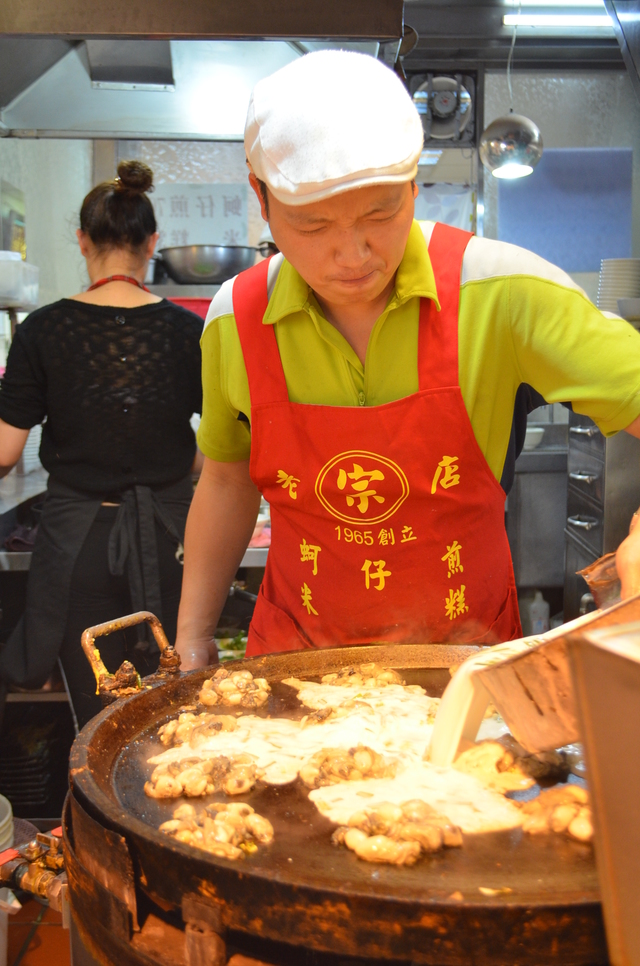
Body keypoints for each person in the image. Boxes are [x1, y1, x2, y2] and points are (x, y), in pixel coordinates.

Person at [175, 50, 640, 669]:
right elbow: (227, 480)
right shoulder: (236, 317)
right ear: (261, 199)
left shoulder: (501, 290)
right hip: (293, 672)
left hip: (462, 675)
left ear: (414, 184)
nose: (352, 254)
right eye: (313, 226)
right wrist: (194, 637)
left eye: (381, 212)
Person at [0, 160, 203, 727]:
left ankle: (96, 809)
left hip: (77, 545)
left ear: (82, 239)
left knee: (98, 719)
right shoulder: (189, 331)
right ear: (153, 243)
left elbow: (4, 453)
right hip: (172, 541)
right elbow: (221, 452)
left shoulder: (42, 329)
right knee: (171, 710)